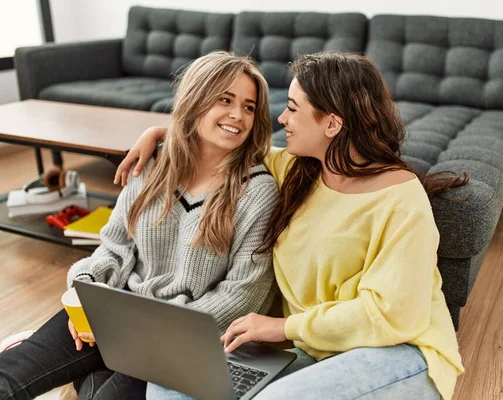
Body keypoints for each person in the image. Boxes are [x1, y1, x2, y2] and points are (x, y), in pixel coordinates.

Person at [116, 52, 468, 400]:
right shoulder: (296, 171)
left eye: (294, 108)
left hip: (395, 351)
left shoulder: (401, 200)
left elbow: (392, 315)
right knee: (171, 379)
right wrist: (162, 133)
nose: (282, 118)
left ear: (332, 123)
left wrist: (283, 327)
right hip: (312, 350)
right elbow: (228, 140)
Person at [0, 51, 279, 400]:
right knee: (9, 376)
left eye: (250, 107)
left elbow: (243, 295)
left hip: (174, 339)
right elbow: (114, 245)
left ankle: (87, 371)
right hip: (115, 308)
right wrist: (87, 294)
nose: (238, 115)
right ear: (197, 98)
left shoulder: (258, 191)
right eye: (225, 99)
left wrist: (146, 331)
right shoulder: (152, 165)